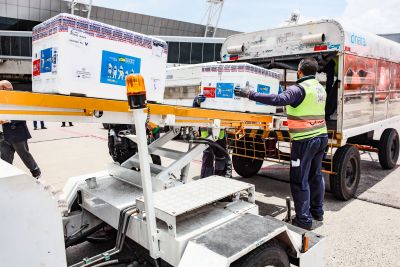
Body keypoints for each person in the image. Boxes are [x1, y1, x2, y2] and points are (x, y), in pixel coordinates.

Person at [234, 58, 328, 230]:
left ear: (299, 71)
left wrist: (250, 94)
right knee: (315, 175)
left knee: (300, 180)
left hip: (304, 140)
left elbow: (279, 100)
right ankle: (317, 211)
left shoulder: (299, 89)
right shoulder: (320, 88)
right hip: (321, 136)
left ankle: (303, 220)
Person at [0, 80, 42, 179]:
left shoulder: (18, 98)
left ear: (5, 88)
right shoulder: (2, 99)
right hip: (3, 135)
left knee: (24, 154)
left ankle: (37, 174)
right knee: (5, 158)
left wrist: (7, 120)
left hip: (17, 133)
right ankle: (5, 177)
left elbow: (24, 115)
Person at [193, 94, 228, 178]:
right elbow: (194, 111)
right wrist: (196, 102)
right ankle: (206, 179)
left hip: (220, 134)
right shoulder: (205, 95)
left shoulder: (223, 95)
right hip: (207, 135)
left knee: (221, 158)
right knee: (208, 159)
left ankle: (220, 178)